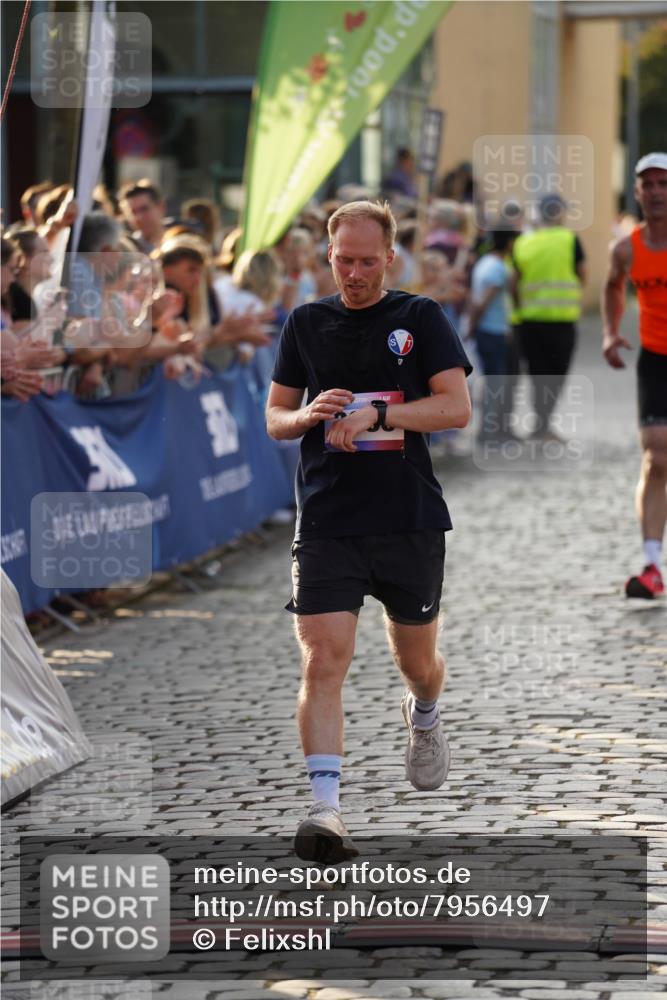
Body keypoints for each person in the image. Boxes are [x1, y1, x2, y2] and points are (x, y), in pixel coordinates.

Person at [265, 201, 472, 862]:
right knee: (324, 657)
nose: (352, 272)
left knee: (416, 663)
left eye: (364, 260)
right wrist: (307, 418)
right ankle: (325, 810)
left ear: (389, 257)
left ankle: (425, 715)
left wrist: (377, 417)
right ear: (328, 256)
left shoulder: (419, 318)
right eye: (341, 260)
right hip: (327, 515)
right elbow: (274, 416)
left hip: (406, 516)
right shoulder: (305, 321)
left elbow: (455, 408)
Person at [601, 152, 667, 599]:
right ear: (637, 191)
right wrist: (608, 332)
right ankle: (652, 565)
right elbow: (610, 286)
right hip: (656, 359)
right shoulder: (626, 247)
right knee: (657, 456)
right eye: (649, 184)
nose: (657, 191)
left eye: (664, 183)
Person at [511, 194, 586, 442]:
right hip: (562, 321)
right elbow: (583, 274)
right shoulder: (570, 240)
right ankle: (544, 425)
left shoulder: (524, 242)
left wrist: (521, 306)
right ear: (561, 213)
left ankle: (539, 425)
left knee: (537, 374)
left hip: (530, 321)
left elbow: (514, 281)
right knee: (556, 375)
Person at [468, 231, 518, 442]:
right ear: (509, 243)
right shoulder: (498, 268)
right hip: (492, 332)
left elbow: (474, 297)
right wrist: (475, 323)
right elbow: (484, 301)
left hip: (488, 330)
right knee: (495, 384)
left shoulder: (483, 263)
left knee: (492, 382)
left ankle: (487, 431)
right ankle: (488, 433)